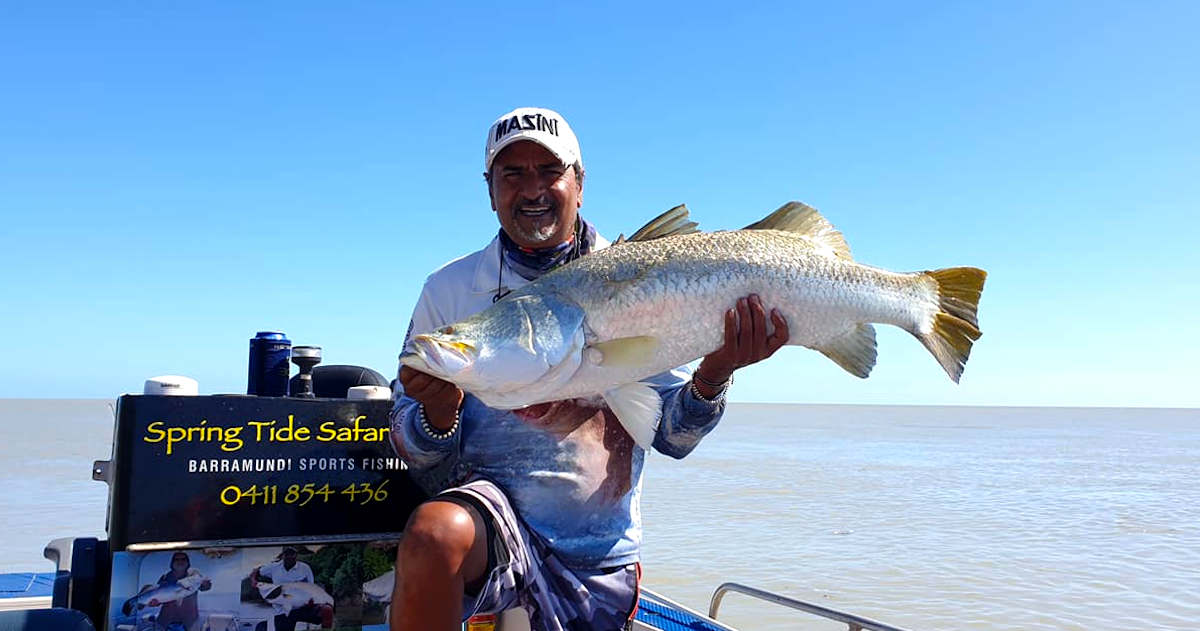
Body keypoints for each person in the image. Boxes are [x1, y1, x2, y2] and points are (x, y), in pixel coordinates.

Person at [389, 107, 789, 631]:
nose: (532, 189)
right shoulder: (449, 290)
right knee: (434, 534)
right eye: (512, 174)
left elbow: (671, 437)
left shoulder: (642, 271)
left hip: (599, 548)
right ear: (490, 190)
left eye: (549, 171)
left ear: (579, 183)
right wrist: (437, 416)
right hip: (490, 529)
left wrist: (714, 373)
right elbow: (411, 446)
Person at [250, 547, 333, 631]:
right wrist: (253, 580)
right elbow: (256, 571)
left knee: (327, 609)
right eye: (287, 554)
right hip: (282, 612)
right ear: (283, 555)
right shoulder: (273, 567)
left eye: (292, 554)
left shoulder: (305, 568)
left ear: (296, 555)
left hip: (303, 607)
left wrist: (311, 600)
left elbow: (311, 588)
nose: (289, 556)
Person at [149, 551, 211, 631]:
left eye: (183, 559)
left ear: (188, 562)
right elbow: (158, 597)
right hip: (165, 620)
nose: (180, 561)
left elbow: (205, 587)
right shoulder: (165, 577)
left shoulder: (194, 573)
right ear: (172, 563)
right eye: (176, 559)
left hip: (190, 621)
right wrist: (154, 603)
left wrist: (206, 584)